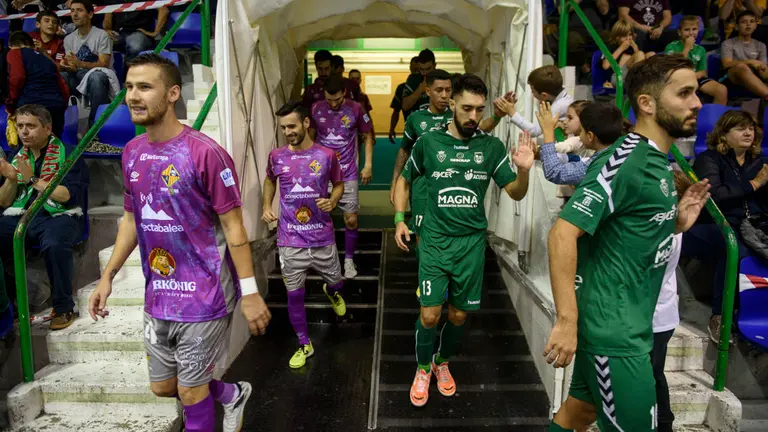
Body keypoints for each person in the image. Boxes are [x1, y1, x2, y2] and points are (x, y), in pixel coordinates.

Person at [87, 54, 269, 432]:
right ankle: (232, 395)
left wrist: (250, 292)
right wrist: (107, 276)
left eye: (145, 87)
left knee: (190, 392)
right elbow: (132, 218)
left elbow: (234, 228)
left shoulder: (205, 152)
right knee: (163, 387)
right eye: (130, 87)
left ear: (172, 93)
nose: (133, 96)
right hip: (160, 295)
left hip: (206, 293)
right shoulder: (132, 153)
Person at [544, 54, 711, 431]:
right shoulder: (621, 162)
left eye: (696, 93)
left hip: (625, 327)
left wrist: (676, 223)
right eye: (684, 93)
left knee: (579, 414)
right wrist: (566, 321)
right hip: (614, 335)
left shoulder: (660, 164)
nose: (697, 102)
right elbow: (562, 233)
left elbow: (627, 231)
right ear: (646, 103)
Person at [393, 73, 534, 408]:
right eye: (467, 108)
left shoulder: (491, 147)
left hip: (471, 244)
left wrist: (525, 169)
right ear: (451, 104)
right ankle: (423, 367)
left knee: (457, 316)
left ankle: (442, 360)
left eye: (479, 109)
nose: (473, 116)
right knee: (430, 315)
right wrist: (400, 219)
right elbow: (405, 179)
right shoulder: (429, 143)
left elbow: (514, 192)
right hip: (436, 240)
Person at [262, 100, 347, 369]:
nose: (288, 131)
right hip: (290, 240)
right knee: (293, 295)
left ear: (306, 123)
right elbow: (269, 180)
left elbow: (340, 185)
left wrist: (333, 201)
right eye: (283, 127)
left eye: (292, 125)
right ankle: (303, 343)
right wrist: (266, 205)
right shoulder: (276, 157)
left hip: (322, 237)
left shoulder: (327, 155)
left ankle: (331, 291)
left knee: (337, 281)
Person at [0, 104, 88, 330]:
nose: (24, 132)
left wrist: (32, 180)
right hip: (23, 215)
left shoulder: (69, 152)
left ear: (47, 128)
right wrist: (11, 178)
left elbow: (67, 196)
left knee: (54, 243)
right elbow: (4, 202)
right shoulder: (16, 156)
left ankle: (63, 306)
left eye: (31, 126)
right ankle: (9, 305)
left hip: (60, 215)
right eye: (20, 126)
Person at [686, 110, 766, 343]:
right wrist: (755, 184)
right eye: (740, 128)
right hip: (709, 225)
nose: (748, 132)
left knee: (748, 245)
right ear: (723, 134)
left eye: (751, 128)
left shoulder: (759, 162)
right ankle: (720, 316)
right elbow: (716, 196)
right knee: (735, 250)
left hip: (749, 225)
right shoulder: (709, 159)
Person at [308, 75, 374, 279]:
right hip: (321, 173)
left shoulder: (355, 108)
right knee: (317, 217)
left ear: (344, 93)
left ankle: (348, 261)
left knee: (351, 219)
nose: (333, 104)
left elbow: (368, 136)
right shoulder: (316, 108)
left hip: (348, 172)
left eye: (337, 99)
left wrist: (368, 165)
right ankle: (322, 260)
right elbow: (310, 136)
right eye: (329, 100)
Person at [652, 170, 691, 432]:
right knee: (654, 376)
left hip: (653, 318)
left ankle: (662, 425)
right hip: (660, 317)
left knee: (649, 378)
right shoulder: (670, 225)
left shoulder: (666, 229)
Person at [536, 101, 624, 188]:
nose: (580, 136)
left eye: (581, 131)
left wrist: (548, 132)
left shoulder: (597, 164)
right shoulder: (620, 151)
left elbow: (555, 172)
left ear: (590, 136)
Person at [5, 31, 70, 138]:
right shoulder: (47, 59)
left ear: (11, 46)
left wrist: (11, 106)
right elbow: (63, 86)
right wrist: (62, 105)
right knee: (54, 148)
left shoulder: (15, 52)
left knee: (27, 148)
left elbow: (17, 77)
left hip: (31, 106)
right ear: (32, 45)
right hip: (56, 106)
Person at [60, 0, 114, 127]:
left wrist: (80, 63)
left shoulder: (102, 35)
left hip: (99, 76)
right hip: (78, 77)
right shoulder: (68, 39)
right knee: (59, 76)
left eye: (79, 10)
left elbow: (103, 64)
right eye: (72, 11)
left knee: (96, 77)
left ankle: (95, 126)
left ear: (90, 14)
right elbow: (73, 67)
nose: (75, 14)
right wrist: (66, 66)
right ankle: (59, 123)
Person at [665, 15, 728, 104]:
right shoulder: (671, 46)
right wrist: (687, 48)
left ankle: (716, 117)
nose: (691, 33)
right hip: (677, 77)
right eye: (687, 30)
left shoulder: (701, 50)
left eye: (694, 29)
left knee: (722, 90)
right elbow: (673, 68)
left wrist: (694, 75)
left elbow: (703, 72)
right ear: (679, 32)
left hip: (695, 78)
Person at [505, 65, 574, 138]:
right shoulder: (564, 98)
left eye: (532, 91)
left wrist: (512, 113)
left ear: (544, 95)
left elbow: (534, 131)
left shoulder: (559, 106)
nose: (532, 93)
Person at [103, 0, 169, 64]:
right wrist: (107, 30)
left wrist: (156, 32)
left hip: (140, 33)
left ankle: (131, 71)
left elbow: (164, 10)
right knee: (102, 40)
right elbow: (107, 19)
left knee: (135, 44)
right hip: (118, 33)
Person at [721, 11, 768, 99]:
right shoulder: (728, 43)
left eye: (752, 21)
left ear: (755, 26)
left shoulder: (761, 45)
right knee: (742, 67)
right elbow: (726, 64)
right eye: (744, 22)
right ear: (737, 26)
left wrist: (762, 67)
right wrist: (751, 62)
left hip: (755, 75)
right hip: (731, 76)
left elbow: (762, 67)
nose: (748, 24)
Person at [601, 20, 655, 89]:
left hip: (631, 78)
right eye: (624, 35)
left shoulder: (632, 46)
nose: (628, 38)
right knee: (629, 56)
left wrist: (635, 48)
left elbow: (640, 61)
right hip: (617, 78)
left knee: (651, 54)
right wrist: (621, 48)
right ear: (617, 37)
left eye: (630, 35)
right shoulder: (610, 46)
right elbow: (605, 65)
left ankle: (644, 83)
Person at [388, 56, 419, 144]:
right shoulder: (402, 88)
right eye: (414, 69)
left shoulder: (430, 88)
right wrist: (392, 129)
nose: (416, 73)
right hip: (410, 132)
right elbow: (396, 111)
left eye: (418, 70)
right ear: (410, 68)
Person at [401, 49, 437, 116]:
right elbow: (405, 106)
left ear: (435, 65)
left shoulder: (443, 78)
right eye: (421, 69)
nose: (424, 73)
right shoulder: (414, 79)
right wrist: (420, 89)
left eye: (428, 69)